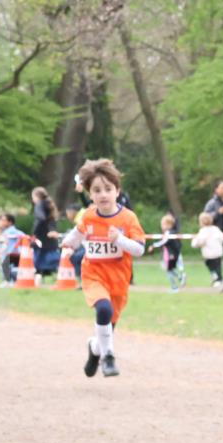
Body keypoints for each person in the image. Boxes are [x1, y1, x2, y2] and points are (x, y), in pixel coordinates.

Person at [60, 159, 145, 378]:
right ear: (90, 194)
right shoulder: (88, 216)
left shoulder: (127, 218)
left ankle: (95, 349)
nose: (103, 195)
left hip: (118, 279)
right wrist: (68, 244)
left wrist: (120, 240)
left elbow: (139, 250)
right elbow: (77, 234)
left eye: (108, 189)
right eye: (97, 190)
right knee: (103, 310)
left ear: (117, 191)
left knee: (108, 324)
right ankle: (108, 357)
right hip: (93, 274)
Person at [148, 214, 186, 292]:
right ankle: (180, 277)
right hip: (172, 254)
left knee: (169, 271)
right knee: (170, 270)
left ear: (168, 225)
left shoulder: (169, 233)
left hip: (171, 255)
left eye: (163, 224)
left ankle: (174, 287)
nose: (161, 226)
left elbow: (164, 242)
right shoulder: (173, 232)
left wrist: (153, 245)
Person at [30, 187, 61, 282]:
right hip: (50, 237)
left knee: (38, 259)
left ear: (36, 196)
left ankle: (38, 277)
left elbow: (41, 218)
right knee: (50, 259)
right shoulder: (49, 204)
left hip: (41, 237)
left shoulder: (39, 205)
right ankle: (53, 275)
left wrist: (34, 233)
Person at [191, 212, 223, 288]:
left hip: (209, 254)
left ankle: (217, 280)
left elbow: (200, 241)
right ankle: (220, 279)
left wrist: (194, 242)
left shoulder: (203, 231)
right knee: (218, 267)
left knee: (211, 267)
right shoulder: (216, 229)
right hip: (218, 252)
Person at [0, 213, 25, 287]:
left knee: (6, 266)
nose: (1, 222)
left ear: (10, 222)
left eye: (4, 220)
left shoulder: (11, 232)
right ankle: (10, 281)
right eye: (1, 220)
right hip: (11, 255)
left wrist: (1, 249)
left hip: (13, 255)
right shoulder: (8, 232)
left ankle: (9, 281)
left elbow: (5, 242)